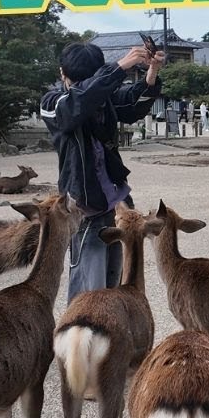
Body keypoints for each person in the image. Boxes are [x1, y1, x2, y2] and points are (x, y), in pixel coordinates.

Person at [40, 41, 164, 302]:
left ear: (62, 71)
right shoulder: (53, 103)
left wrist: (151, 73)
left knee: (112, 278)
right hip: (82, 208)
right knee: (87, 282)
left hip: (111, 204)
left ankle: (107, 331)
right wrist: (118, 68)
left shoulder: (103, 100)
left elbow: (132, 105)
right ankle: (78, 329)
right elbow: (75, 105)